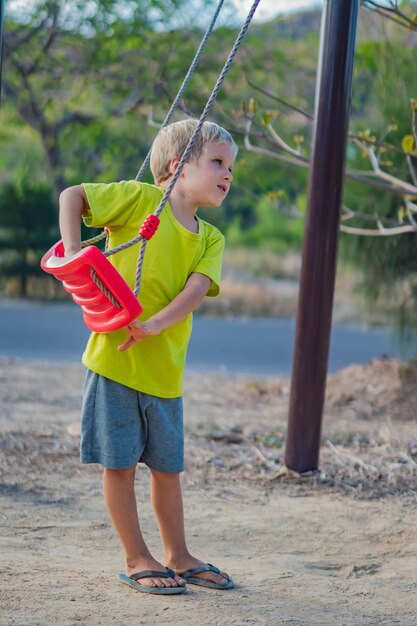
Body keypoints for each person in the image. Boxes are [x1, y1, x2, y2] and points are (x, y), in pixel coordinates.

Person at [59, 119, 237, 595]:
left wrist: (156, 324)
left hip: (164, 374)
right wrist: (76, 252)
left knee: (167, 471)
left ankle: (178, 554)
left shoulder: (209, 238)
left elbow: (196, 290)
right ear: (178, 166)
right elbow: (72, 196)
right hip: (114, 361)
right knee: (118, 465)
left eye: (231, 167)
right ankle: (138, 556)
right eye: (218, 162)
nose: (228, 174)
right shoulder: (138, 201)